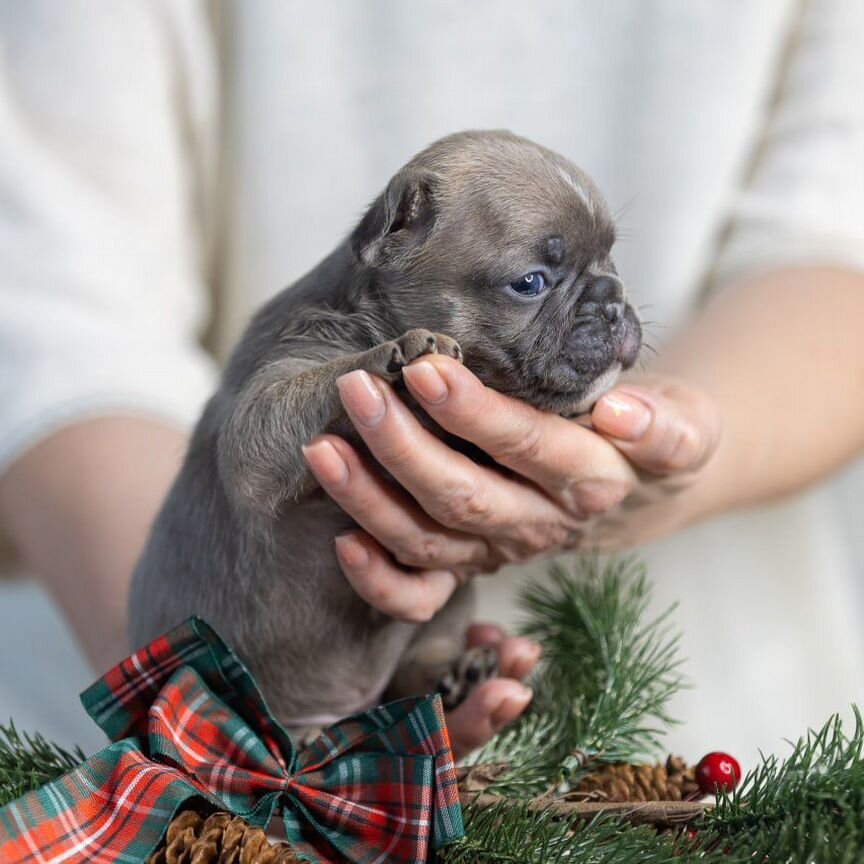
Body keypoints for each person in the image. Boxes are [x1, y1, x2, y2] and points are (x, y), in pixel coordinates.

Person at [0, 0, 862, 762]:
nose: (603, 306)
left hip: (738, 723)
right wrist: (210, 719)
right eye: (533, 283)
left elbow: (836, 242)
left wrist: (676, 447)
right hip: (127, 652)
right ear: (394, 241)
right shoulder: (313, 346)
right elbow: (49, 287)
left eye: (603, 268)